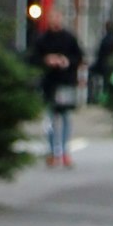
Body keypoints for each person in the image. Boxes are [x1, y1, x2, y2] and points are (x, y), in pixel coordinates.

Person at [32, 15, 86, 166]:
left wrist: (65, 61)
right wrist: (46, 60)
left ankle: (63, 151)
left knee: (65, 116)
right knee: (50, 117)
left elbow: (79, 57)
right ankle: (51, 151)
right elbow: (33, 58)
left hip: (65, 82)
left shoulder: (69, 38)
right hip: (49, 83)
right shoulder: (42, 39)